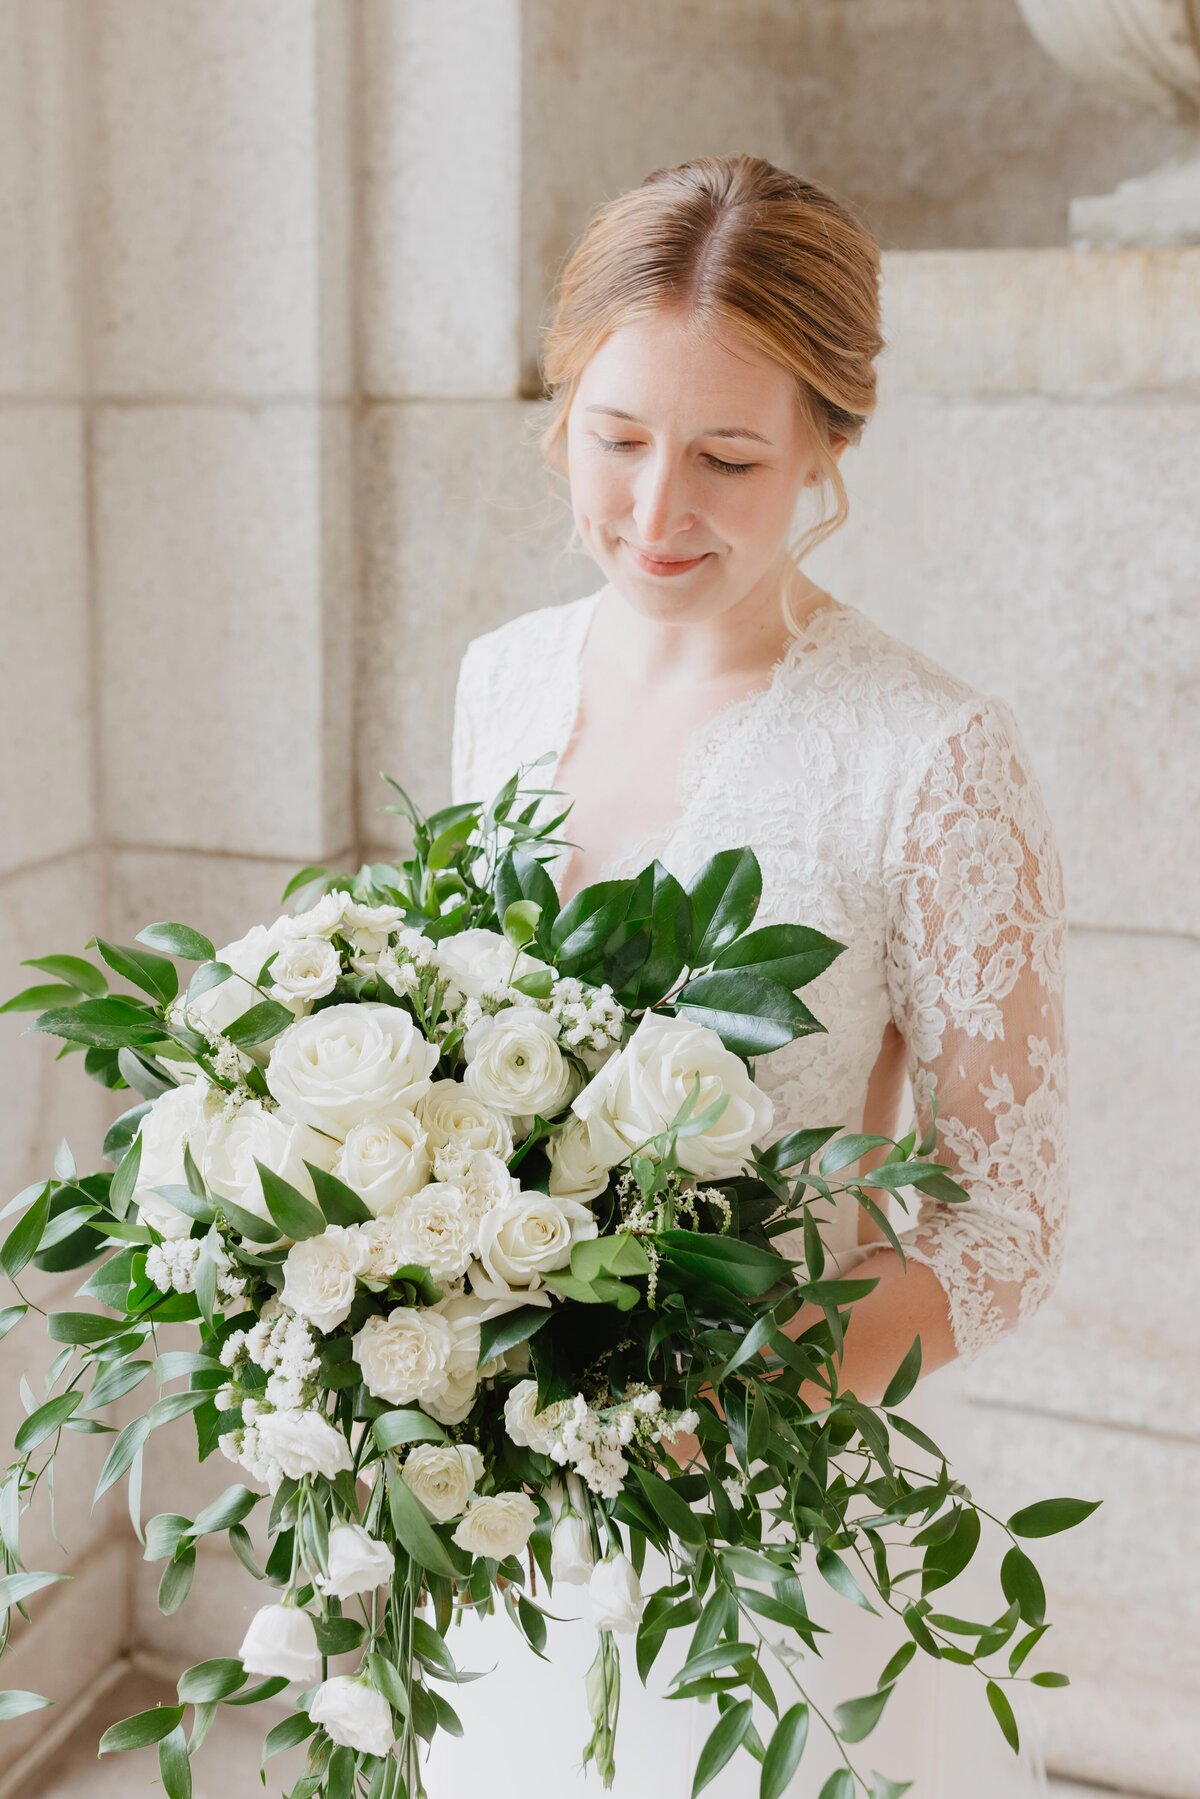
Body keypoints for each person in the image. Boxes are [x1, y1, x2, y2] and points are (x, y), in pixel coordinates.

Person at [428, 155, 1066, 1796]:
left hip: (760, 1536)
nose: (653, 513)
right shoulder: (501, 682)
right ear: (560, 397)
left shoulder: (927, 758)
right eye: (614, 438)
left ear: (828, 448)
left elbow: (1004, 1225)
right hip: (494, 1512)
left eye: (725, 457)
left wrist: (731, 1395)